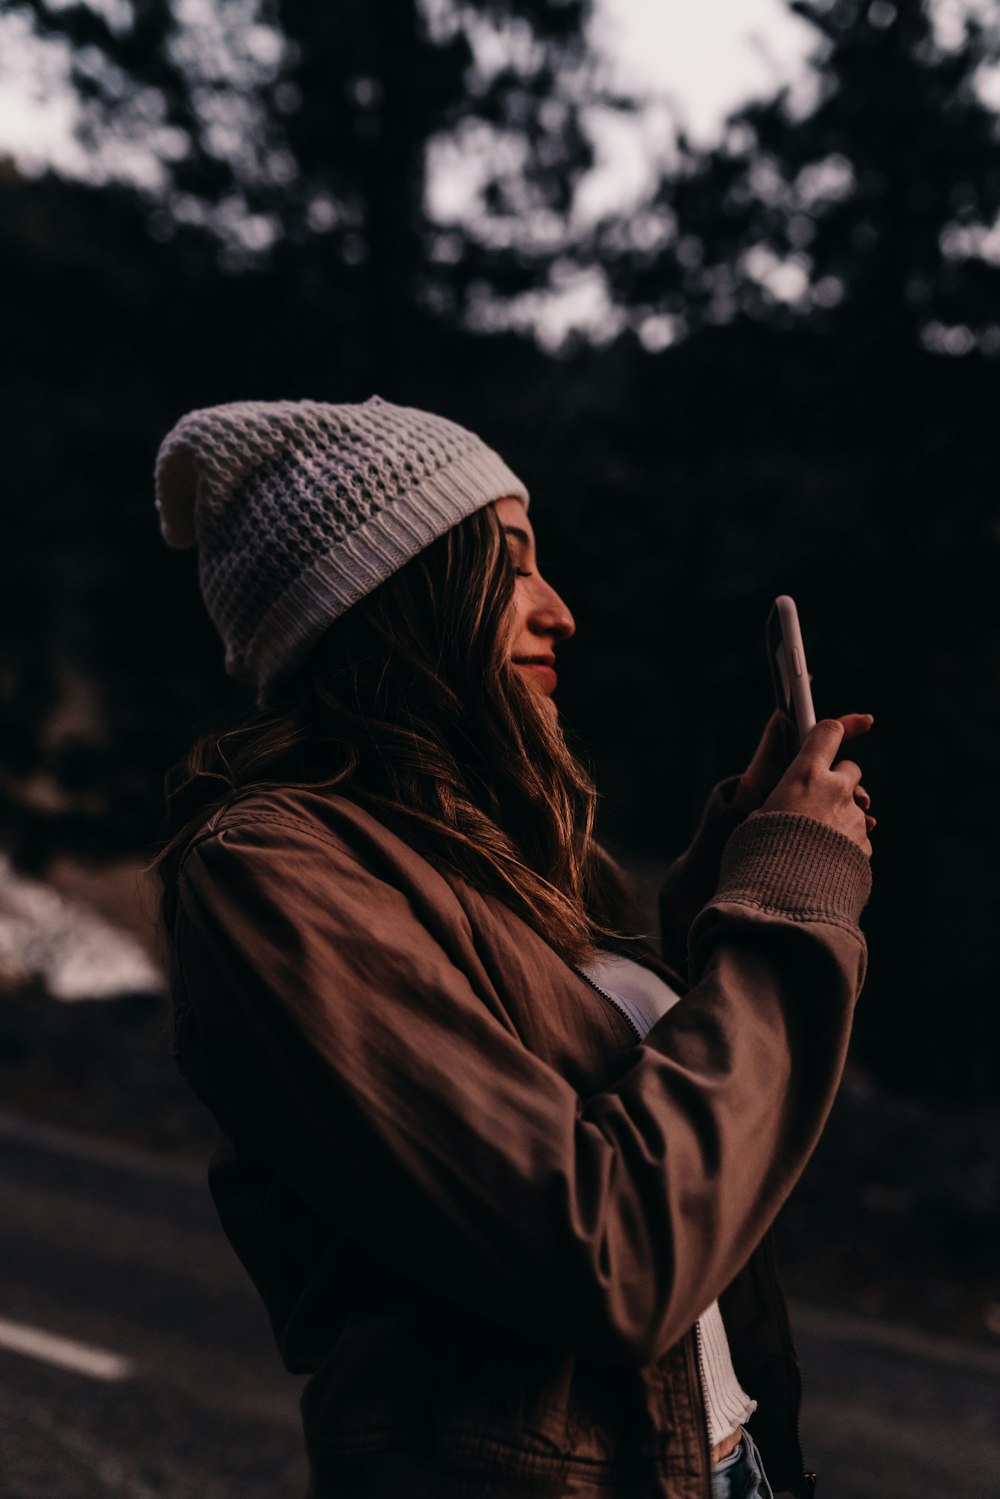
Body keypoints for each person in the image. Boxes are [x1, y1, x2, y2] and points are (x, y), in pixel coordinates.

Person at [154, 396, 874, 1499]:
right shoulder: (270, 871)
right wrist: (785, 906)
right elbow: (614, 1253)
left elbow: (668, 1143)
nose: (561, 611)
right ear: (399, 593)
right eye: (512, 563)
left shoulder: (477, 858)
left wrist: (711, 909)